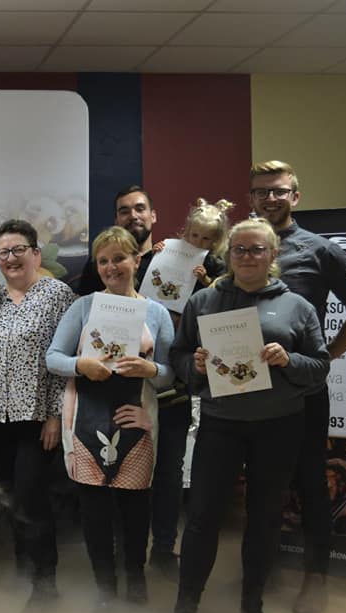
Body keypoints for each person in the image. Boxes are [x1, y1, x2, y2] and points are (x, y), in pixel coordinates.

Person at [161, 218, 330, 613]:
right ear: (229, 254)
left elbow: (320, 367)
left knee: (265, 518)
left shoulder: (297, 307)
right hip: (221, 423)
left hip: (279, 425)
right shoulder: (204, 301)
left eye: (257, 249)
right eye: (240, 249)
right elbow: (178, 355)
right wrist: (194, 365)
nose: (248, 256)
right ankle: (185, 608)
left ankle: (252, 608)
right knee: (202, 517)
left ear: (273, 255)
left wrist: (289, 360)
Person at [249, 160, 346, 613]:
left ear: (295, 197)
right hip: (247, 393)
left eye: (279, 191)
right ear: (251, 198)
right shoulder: (238, 247)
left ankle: (316, 578)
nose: (270, 198)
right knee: (260, 482)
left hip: (302, 390)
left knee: (310, 482)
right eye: (261, 191)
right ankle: (261, 571)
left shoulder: (320, 250)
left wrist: (327, 356)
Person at [46, 226, 174, 608]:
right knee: (94, 512)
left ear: (137, 260)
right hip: (86, 421)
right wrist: (81, 365)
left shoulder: (157, 313)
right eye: (103, 261)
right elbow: (53, 358)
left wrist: (151, 370)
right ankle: (105, 588)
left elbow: (171, 374)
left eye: (119, 258)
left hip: (137, 421)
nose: (111, 267)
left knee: (136, 510)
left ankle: (136, 580)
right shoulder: (83, 307)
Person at [0, 219, 76, 607]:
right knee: (9, 498)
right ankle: (22, 573)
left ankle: (45, 584)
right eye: (3, 252)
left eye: (18, 249)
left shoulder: (57, 295)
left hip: (37, 420)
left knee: (31, 498)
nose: (11, 258)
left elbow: (65, 357)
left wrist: (55, 415)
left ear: (36, 253)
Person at [146, 198, 231, 575]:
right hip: (143, 377)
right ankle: (129, 548)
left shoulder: (219, 271)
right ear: (184, 232)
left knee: (169, 470)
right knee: (132, 467)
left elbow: (226, 313)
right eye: (194, 235)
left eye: (207, 238)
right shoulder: (162, 254)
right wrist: (153, 260)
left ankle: (163, 547)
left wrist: (208, 282)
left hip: (181, 381)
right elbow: (139, 293)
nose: (199, 242)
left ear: (218, 241)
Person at [75, 185, 157, 297]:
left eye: (140, 209)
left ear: (153, 216)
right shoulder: (98, 260)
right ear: (117, 221)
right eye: (124, 212)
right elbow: (84, 303)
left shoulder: (165, 260)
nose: (133, 216)